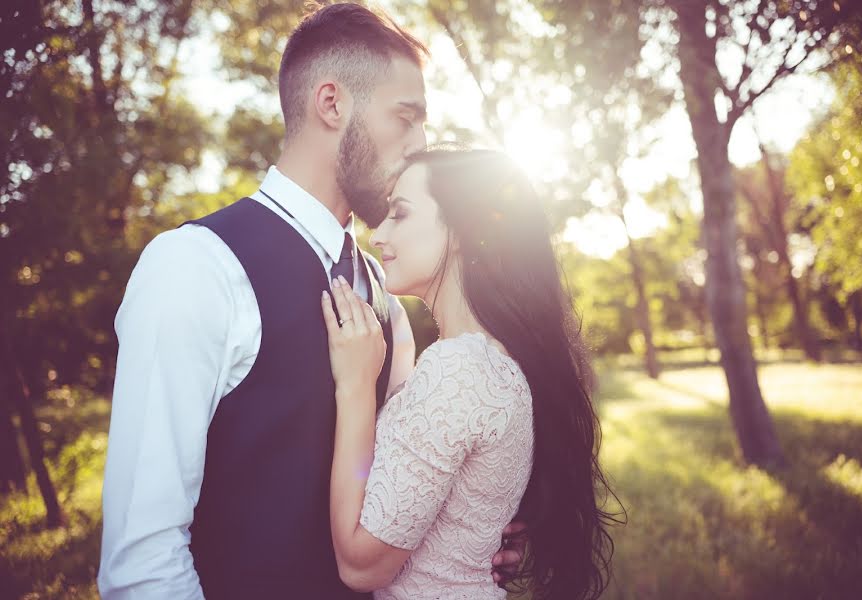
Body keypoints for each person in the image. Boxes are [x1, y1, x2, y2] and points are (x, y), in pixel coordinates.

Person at [97, 5, 521, 598]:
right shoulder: (194, 266)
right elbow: (143, 557)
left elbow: (393, 495)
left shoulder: (385, 298)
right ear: (331, 104)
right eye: (406, 119)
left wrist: (467, 536)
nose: (420, 147)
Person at [321, 148, 620, 599]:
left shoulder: (458, 369)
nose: (377, 233)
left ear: (464, 231)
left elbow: (361, 567)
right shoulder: (495, 359)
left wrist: (356, 384)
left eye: (400, 214)